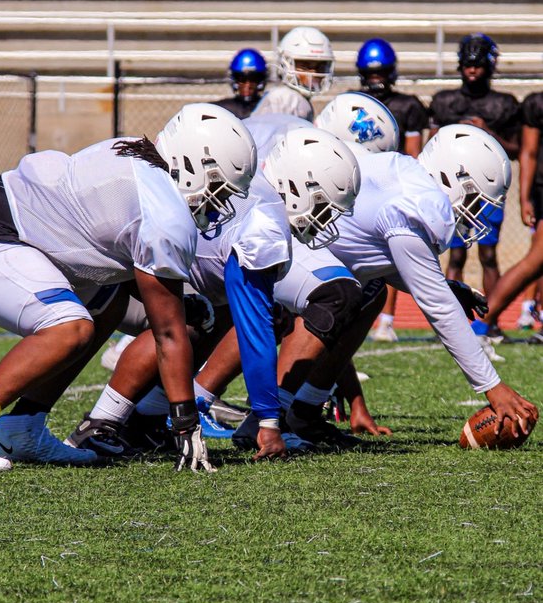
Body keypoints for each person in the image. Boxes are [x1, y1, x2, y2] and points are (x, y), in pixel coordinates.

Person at [0, 104, 257, 472]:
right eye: (219, 188)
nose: (219, 204)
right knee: (68, 327)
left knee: (107, 303)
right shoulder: (164, 213)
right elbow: (169, 333)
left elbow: (125, 271)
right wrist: (186, 423)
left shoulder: (138, 157)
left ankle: (21, 427)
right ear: (193, 166)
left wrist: (181, 303)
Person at [77, 122, 361, 462]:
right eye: (323, 207)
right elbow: (255, 332)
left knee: (210, 315)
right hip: (116, 272)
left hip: (135, 266)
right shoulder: (265, 226)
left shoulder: (256, 194)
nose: (324, 220)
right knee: (184, 323)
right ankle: (101, 423)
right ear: (299, 187)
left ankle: (143, 422)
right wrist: (268, 421)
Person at [255, 113, 538, 443]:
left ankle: (303, 413)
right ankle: (268, 418)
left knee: (370, 288)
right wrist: (493, 386)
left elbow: (376, 260)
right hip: (271, 249)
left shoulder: (404, 175)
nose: (475, 214)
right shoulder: (415, 205)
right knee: (336, 293)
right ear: (453, 179)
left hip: (292, 248)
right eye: (474, 199)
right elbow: (439, 308)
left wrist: (445, 287)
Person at [428, 34, 521, 309]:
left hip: (488, 188)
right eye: (468, 64)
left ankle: (490, 319)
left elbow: (515, 149)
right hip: (453, 187)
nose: (472, 69)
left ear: (489, 66)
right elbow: (430, 146)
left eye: (478, 64)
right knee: (454, 255)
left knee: (489, 255)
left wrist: (488, 131)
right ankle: (450, 315)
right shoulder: (445, 102)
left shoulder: (504, 103)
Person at [352, 38, 429, 342]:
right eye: (371, 74)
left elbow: (412, 154)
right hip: (356, 185)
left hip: (388, 186)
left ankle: (386, 320)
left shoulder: (407, 105)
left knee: (391, 255)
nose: (376, 80)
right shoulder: (352, 101)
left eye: (381, 73)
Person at [470, 84, 543, 346]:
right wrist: (525, 198)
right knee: (536, 260)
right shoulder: (538, 104)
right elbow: (529, 152)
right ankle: (482, 324)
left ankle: (483, 324)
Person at [252, 26, 334, 122]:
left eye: (320, 66)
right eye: (305, 66)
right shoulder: (285, 99)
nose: (314, 72)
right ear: (286, 64)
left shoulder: (294, 98)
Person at [213, 48, 268, 120]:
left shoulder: (270, 107)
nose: (248, 85)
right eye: (242, 79)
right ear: (235, 80)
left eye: (253, 79)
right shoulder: (223, 109)